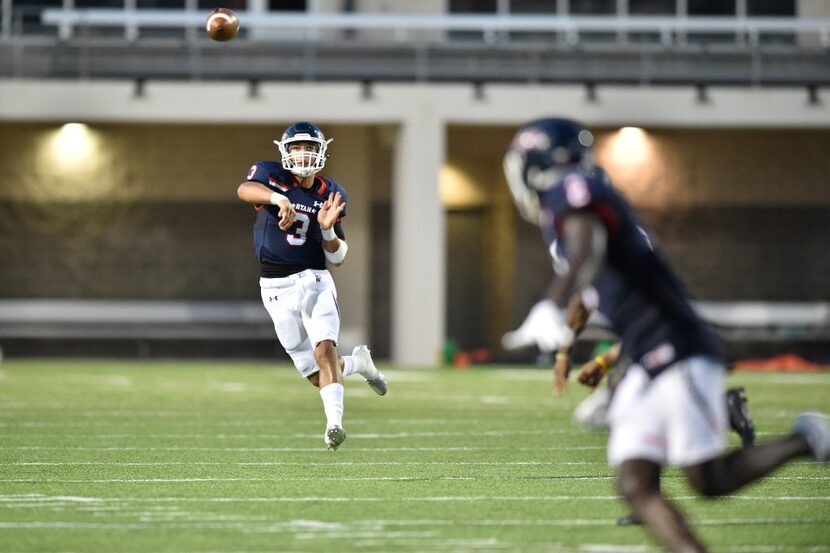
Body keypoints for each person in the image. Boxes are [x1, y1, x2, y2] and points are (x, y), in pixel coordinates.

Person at [501, 117, 829, 552]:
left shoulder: (571, 191)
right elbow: (601, 283)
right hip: (647, 349)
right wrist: (582, 348)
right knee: (635, 482)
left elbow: (585, 244)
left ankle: (807, 438)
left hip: (673, 345)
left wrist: (548, 303)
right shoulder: (579, 198)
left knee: (709, 480)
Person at [236, 121, 387, 451]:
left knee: (324, 350)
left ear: (322, 152)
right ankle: (360, 364)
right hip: (275, 287)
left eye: (309, 147)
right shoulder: (271, 175)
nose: (303, 154)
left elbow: (339, 256)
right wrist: (278, 199)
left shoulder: (331, 193)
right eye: (297, 147)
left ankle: (334, 425)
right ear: (285, 151)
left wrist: (328, 231)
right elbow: (245, 190)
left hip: (314, 280)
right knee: (313, 371)